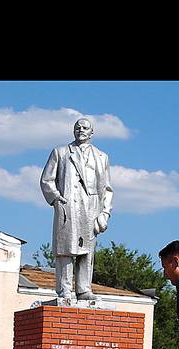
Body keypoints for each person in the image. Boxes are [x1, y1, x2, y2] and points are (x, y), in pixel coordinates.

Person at [40, 117, 113, 304]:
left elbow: (106, 188)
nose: (81, 130)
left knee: (87, 250)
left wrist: (105, 212)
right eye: (78, 127)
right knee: (66, 249)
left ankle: (84, 289)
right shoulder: (61, 152)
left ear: (92, 132)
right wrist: (56, 198)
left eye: (85, 127)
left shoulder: (102, 157)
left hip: (91, 208)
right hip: (69, 205)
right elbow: (47, 179)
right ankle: (64, 289)